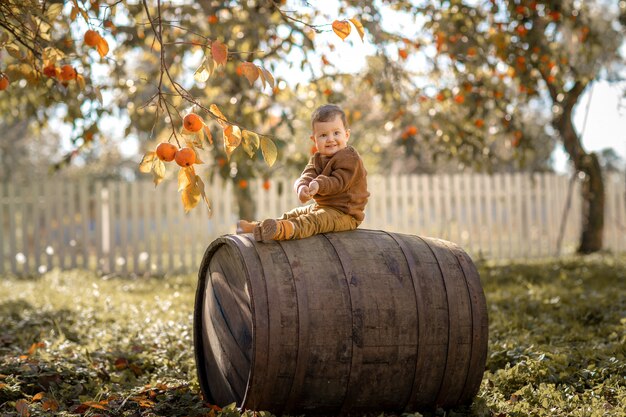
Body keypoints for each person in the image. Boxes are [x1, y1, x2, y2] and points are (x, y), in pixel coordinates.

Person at [237, 104, 369, 241]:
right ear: (314, 140)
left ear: (346, 135)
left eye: (336, 133)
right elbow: (307, 175)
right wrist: (302, 188)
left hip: (345, 213)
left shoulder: (350, 157)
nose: (330, 139)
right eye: (323, 135)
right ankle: (258, 228)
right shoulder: (317, 158)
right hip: (322, 207)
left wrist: (318, 185)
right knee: (293, 214)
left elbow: (339, 181)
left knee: (313, 221)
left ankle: (283, 231)